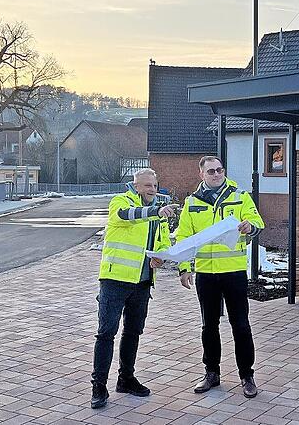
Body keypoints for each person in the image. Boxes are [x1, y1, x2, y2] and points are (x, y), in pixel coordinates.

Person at [177, 155, 264, 398]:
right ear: (201, 174)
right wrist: (184, 268)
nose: (216, 174)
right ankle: (211, 374)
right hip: (206, 274)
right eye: (211, 171)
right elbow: (183, 237)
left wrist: (249, 226)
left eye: (220, 170)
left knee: (241, 325)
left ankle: (247, 376)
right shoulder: (192, 202)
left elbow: (257, 221)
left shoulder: (240, 196)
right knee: (209, 326)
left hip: (233, 272)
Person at [90, 168, 178, 409]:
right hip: (115, 280)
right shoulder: (121, 202)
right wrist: (155, 211)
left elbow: (162, 242)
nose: (152, 190)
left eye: (155, 186)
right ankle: (99, 386)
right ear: (135, 186)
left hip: (142, 283)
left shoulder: (158, 212)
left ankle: (126, 379)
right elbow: (126, 215)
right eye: (147, 186)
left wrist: (160, 256)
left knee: (132, 332)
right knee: (106, 333)